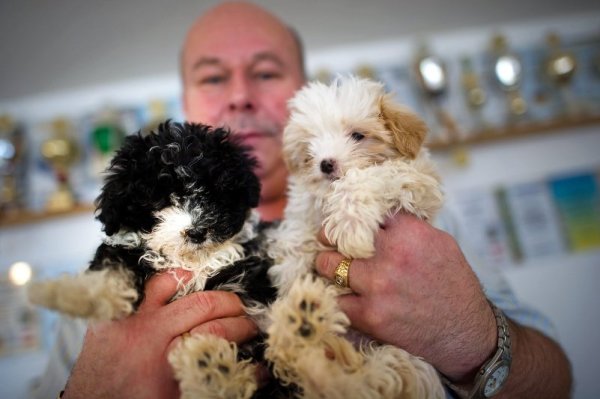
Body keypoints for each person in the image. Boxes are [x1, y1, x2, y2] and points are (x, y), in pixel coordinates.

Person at [34, 2, 571, 398]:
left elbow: (558, 380)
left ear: (304, 92)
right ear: (186, 102)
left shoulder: (416, 220)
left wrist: (472, 338)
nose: (241, 93)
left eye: (266, 72)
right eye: (213, 76)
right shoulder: (122, 263)